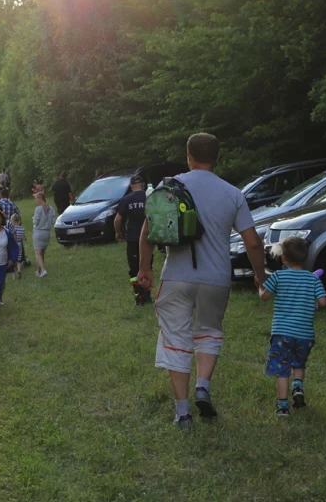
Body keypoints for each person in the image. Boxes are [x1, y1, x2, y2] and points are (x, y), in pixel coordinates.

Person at [137, 133, 267, 430]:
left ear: (188, 156)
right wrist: (260, 276)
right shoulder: (233, 193)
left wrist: (145, 267)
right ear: (218, 157)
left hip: (176, 277)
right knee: (209, 331)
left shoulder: (168, 187)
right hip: (216, 279)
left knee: (175, 339)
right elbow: (254, 243)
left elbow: (148, 230)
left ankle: (183, 413)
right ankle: (203, 385)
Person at [259, 237, 326, 416]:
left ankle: (283, 407)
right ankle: (298, 387)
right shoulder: (312, 279)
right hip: (305, 334)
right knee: (299, 363)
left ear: (283, 258)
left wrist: (260, 287)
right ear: (305, 258)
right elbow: (323, 302)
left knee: (282, 369)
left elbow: (264, 297)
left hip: (282, 332)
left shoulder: (278, 276)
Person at [114, 175, 150, 305]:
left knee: (134, 270)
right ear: (143, 185)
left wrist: (118, 233)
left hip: (133, 239)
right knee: (147, 267)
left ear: (131, 186)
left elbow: (118, 219)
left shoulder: (126, 200)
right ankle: (147, 295)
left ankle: (138, 297)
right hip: (148, 239)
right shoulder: (149, 197)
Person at [31, 193, 56, 277]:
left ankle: (43, 270)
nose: (35, 200)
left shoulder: (38, 209)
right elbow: (53, 221)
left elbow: (36, 222)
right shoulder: (51, 208)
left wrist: (33, 219)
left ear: (40, 198)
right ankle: (39, 271)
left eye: (36, 198)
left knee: (37, 253)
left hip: (39, 232)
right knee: (42, 252)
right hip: (47, 232)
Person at [10, 213, 26, 280]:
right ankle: (19, 270)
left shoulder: (13, 229)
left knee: (12, 260)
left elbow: (14, 237)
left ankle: (14, 276)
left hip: (14, 245)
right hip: (20, 244)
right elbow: (24, 238)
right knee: (18, 260)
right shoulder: (22, 228)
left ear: (12, 221)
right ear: (19, 221)